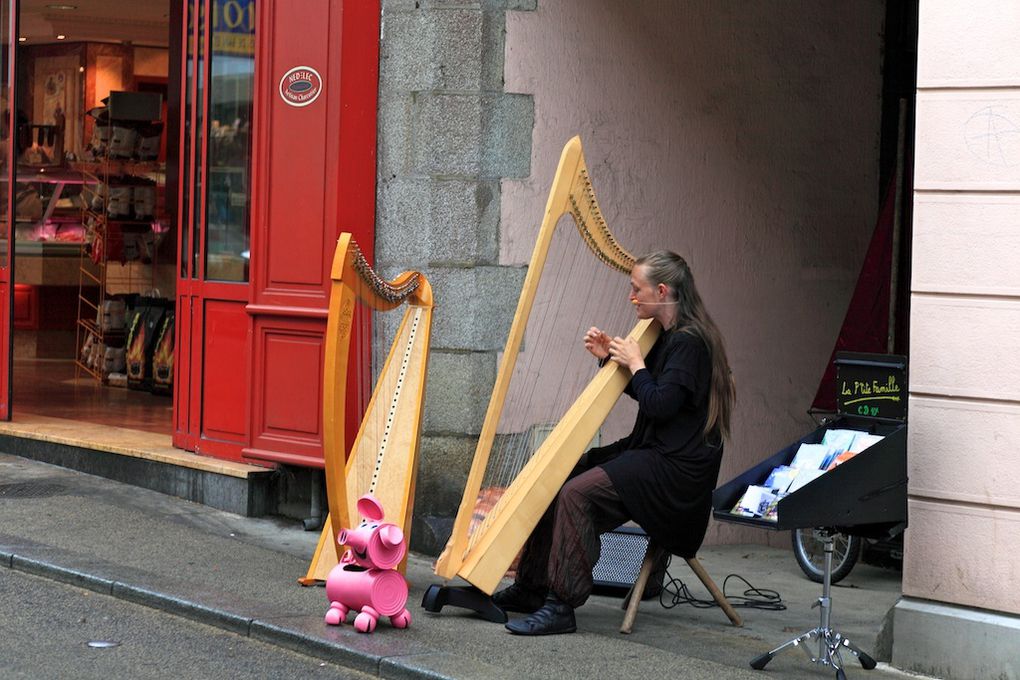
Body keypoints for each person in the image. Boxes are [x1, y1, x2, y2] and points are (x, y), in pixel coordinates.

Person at [496, 250, 736, 635]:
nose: (631, 297)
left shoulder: (691, 342)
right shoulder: (666, 334)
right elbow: (653, 393)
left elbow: (659, 403)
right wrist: (611, 358)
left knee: (576, 494)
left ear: (661, 290)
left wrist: (636, 364)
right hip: (650, 452)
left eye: (635, 289)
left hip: (675, 472)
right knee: (560, 474)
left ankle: (561, 606)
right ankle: (531, 588)